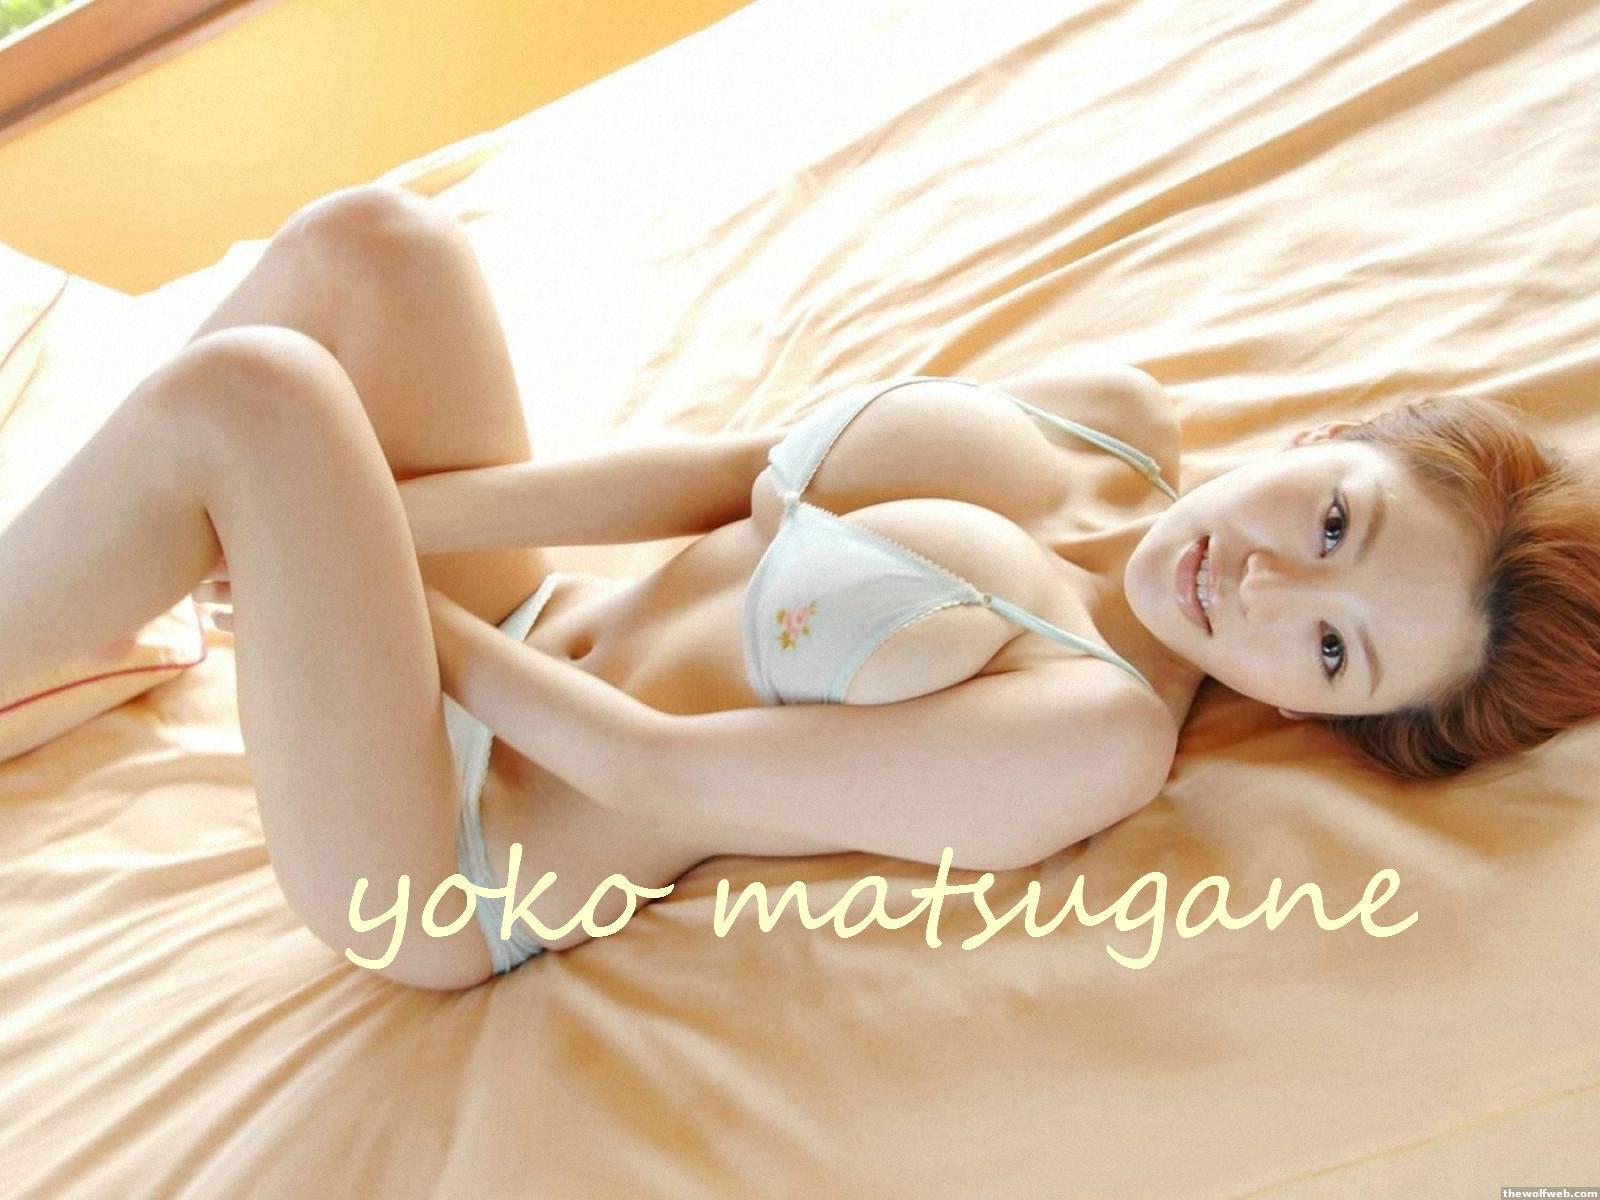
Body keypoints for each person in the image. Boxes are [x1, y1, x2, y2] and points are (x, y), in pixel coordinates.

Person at [4, 184, 1598, 991]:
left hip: (454, 840)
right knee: (380, 243)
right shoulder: (1112, 420)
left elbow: (658, 772)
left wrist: (333, 572)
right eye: (1335, 521)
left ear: (1330, 712)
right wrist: (364, 534)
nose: (1257, 585)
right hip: (529, 626)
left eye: (1330, 647)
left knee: (258, 404)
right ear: (1332, 438)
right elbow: (723, 477)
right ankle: (97, 590)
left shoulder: (1095, 733)